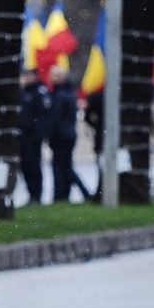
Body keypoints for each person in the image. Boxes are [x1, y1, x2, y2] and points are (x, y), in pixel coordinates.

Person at [43, 62, 87, 203]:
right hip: (67, 135)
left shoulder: (60, 95)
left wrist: (49, 134)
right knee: (65, 166)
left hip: (61, 136)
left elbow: (55, 119)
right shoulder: (68, 92)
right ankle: (68, 194)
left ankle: (61, 195)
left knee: (60, 167)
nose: (50, 78)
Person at [18, 69, 50, 203]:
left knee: (34, 166)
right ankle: (32, 194)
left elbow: (42, 117)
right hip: (23, 137)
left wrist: (37, 135)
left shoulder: (39, 92)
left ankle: (36, 195)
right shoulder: (24, 92)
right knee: (25, 166)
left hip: (33, 137)